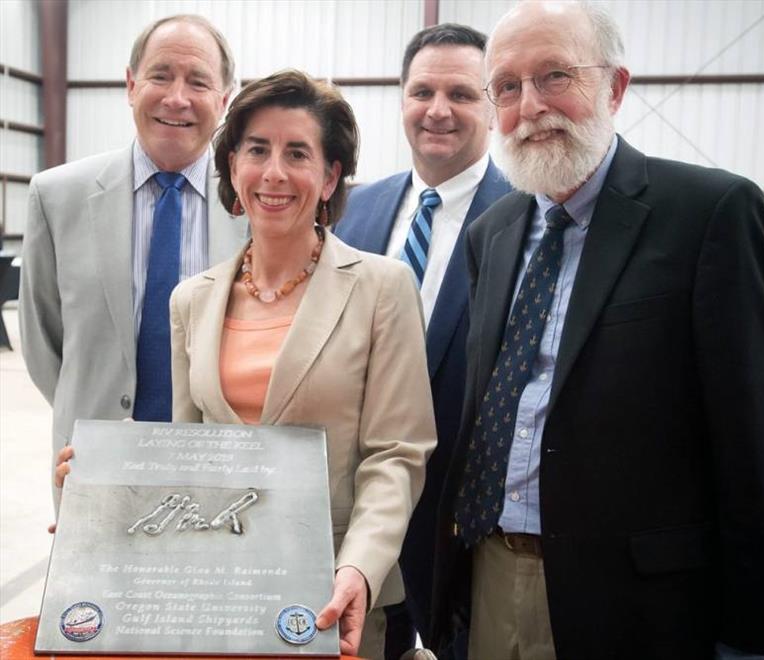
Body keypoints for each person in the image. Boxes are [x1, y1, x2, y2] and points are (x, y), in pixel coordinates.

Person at [431, 2, 764, 659]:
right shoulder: (493, 234)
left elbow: (759, 446)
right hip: (489, 573)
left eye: (554, 77)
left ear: (615, 87)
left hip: (639, 605)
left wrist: (757, 638)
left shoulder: (709, 213)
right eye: (508, 88)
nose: (531, 105)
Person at [168, 70, 436, 659]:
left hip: (334, 595)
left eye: (298, 153)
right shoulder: (191, 300)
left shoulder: (382, 288)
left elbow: (397, 454)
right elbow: (186, 455)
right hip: (221, 590)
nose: (274, 173)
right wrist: (104, 489)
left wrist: (360, 568)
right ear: (233, 166)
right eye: (257, 150)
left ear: (330, 175)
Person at [335, 23, 511, 657]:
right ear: (401, 99)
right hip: (355, 507)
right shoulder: (353, 210)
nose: (438, 110)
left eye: (462, 93)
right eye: (422, 91)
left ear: (493, 105)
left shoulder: (525, 216)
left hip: (459, 520)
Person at [19, 15, 247, 489]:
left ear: (224, 100)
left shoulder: (254, 206)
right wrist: (89, 409)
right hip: (92, 466)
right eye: (160, 75)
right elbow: (44, 342)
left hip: (219, 474)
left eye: (198, 82)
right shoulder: (57, 197)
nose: (176, 98)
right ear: (130, 84)